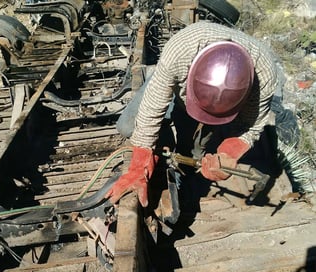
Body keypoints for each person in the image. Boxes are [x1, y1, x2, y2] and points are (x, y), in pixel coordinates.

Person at [105, 21, 279, 207]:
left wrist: (228, 154)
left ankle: (181, 162)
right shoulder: (180, 51)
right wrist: (139, 166)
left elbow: (249, 127)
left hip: (216, 102)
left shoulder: (264, 76)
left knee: (196, 151)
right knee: (127, 127)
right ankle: (165, 138)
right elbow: (151, 110)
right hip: (173, 80)